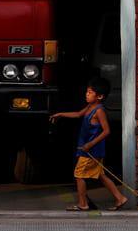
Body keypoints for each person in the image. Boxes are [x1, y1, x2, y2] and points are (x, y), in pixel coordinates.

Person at [49, 77, 128, 211]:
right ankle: (120, 198)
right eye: (87, 91)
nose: (87, 94)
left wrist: (90, 144)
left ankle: (83, 203)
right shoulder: (89, 107)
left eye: (90, 92)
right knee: (101, 175)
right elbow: (78, 114)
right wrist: (61, 114)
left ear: (100, 96)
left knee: (79, 175)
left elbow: (107, 131)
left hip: (92, 150)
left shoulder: (99, 110)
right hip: (89, 149)